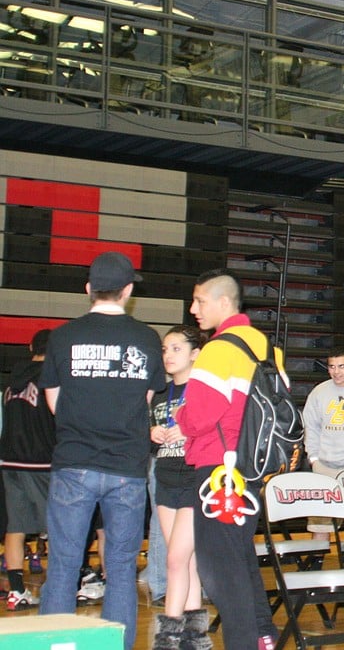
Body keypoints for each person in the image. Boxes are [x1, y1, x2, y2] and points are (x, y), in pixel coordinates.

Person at [38, 252, 165, 650]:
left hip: (74, 462)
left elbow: (54, 402)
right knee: (122, 570)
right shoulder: (146, 338)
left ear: (88, 289)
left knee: (63, 566)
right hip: (127, 467)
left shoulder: (62, 336)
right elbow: (145, 400)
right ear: (128, 291)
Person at [177, 269, 284, 650]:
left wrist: (179, 415)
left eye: (200, 301)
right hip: (253, 471)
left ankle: (244, 642)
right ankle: (264, 637)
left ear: (224, 303)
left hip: (219, 472)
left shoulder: (218, 349)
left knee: (220, 569)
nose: (194, 309)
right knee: (240, 560)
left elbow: (199, 416)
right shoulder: (267, 347)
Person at [149, 326, 210, 650]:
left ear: (194, 353)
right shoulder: (159, 391)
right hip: (165, 476)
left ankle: (168, 638)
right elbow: (146, 424)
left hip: (193, 477)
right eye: (165, 349)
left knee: (175, 559)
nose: (168, 355)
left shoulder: (203, 389)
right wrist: (153, 431)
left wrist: (188, 432)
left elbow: (218, 430)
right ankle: (196, 636)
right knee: (185, 562)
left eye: (175, 348)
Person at [1, 328, 54, 610]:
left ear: (30, 346)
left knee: (16, 527)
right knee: (57, 527)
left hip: (9, 460)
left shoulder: (12, 380)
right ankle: (59, 586)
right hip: (40, 461)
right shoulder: (51, 377)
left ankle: (17, 591)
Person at [301, 347, 344, 540]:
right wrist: (314, 458)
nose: (336, 371)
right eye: (332, 367)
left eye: (342, 366)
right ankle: (316, 563)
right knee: (320, 525)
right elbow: (310, 426)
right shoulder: (319, 392)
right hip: (325, 467)